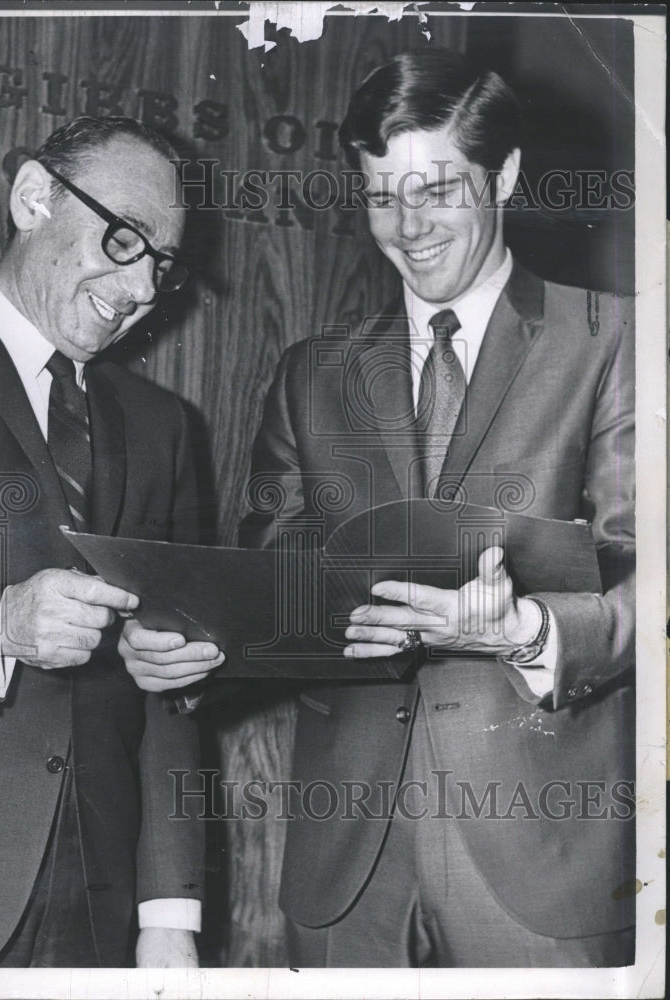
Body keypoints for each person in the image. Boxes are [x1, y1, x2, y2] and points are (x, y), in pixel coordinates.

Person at [240, 50, 635, 967]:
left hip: (544, 846)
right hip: (347, 855)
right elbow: (269, 576)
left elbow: (645, 573)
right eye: (382, 197)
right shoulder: (310, 374)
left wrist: (526, 630)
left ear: (506, 175)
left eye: (438, 191)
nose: (408, 226)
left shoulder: (614, 338)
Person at [0, 115, 224, 968]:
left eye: (163, 264)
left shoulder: (164, 427)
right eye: (125, 238)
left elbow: (166, 683)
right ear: (33, 198)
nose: (143, 286)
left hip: (99, 903)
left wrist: (169, 912)